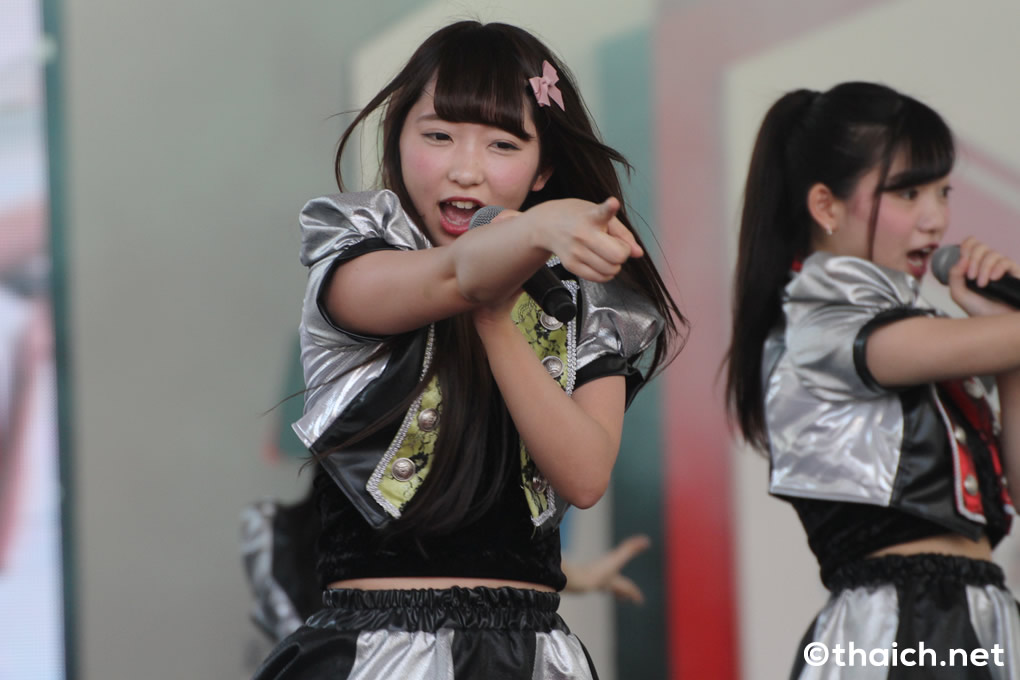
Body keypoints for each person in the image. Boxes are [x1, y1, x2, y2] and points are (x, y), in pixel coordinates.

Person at [253, 20, 684, 679]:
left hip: (529, 652)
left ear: (543, 169)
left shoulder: (588, 304)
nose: (465, 168)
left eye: (503, 144)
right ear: (398, 140)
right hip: (380, 653)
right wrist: (527, 239)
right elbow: (456, 276)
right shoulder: (358, 260)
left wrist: (496, 316)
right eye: (438, 135)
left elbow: (584, 475)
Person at [725, 81, 1020, 678]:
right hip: (898, 629)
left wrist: (1008, 349)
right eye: (909, 193)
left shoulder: (924, 332)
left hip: (978, 617)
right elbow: (892, 347)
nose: (936, 219)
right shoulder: (818, 326)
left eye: (942, 192)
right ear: (827, 206)